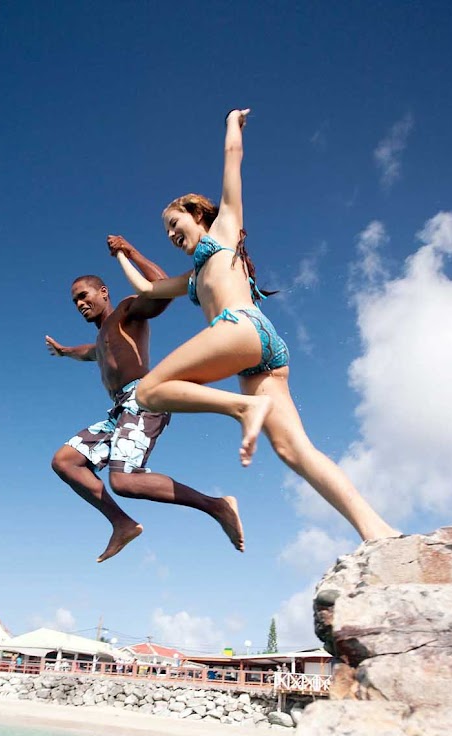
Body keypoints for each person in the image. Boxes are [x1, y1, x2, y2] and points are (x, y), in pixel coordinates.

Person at [113, 110, 398, 542]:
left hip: (240, 327)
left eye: (175, 223)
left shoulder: (225, 229)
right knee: (293, 450)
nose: (172, 234)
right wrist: (122, 255)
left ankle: (242, 409)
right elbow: (149, 290)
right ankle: (377, 530)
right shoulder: (192, 277)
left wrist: (231, 122)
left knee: (150, 391)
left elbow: (232, 158)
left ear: (195, 214)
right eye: (167, 232)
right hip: (260, 356)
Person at [46, 237, 245, 562]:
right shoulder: (102, 336)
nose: (80, 304)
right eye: (75, 302)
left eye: (84, 296)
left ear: (103, 292)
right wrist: (67, 351)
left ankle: (217, 506)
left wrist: (129, 251)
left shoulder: (126, 312)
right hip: (118, 411)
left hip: (144, 398)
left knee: (123, 481)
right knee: (65, 461)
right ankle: (121, 523)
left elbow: (160, 289)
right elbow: (91, 353)